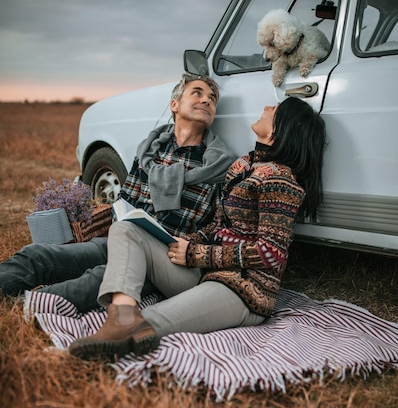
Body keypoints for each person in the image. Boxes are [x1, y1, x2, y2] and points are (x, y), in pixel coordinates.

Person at [68, 96, 326, 359]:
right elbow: (218, 224)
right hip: (205, 274)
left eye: (275, 109)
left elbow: (270, 252)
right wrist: (185, 242)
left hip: (242, 291)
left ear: (280, 128)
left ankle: (105, 344)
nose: (267, 108)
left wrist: (197, 254)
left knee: (150, 320)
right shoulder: (245, 165)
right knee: (126, 230)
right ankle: (121, 315)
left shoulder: (281, 181)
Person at [0, 73, 236, 313]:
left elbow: (222, 226)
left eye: (212, 98)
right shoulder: (150, 151)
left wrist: (193, 245)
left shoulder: (218, 165)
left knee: (96, 278)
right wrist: (122, 221)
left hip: (172, 259)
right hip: (126, 238)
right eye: (197, 93)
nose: (207, 100)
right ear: (174, 104)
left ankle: (25, 308)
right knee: (41, 255)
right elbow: (126, 200)